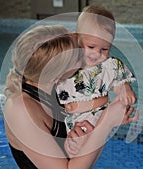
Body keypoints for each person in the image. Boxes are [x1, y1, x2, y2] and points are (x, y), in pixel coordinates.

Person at [3, 24, 138, 169]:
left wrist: (89, 137)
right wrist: (105, 123)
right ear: (56, 74)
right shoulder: (20, 109)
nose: (84, 55)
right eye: (76, 56)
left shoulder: (58, 91)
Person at [56, 5, 136, 136]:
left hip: (100, 120)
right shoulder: (69, 65)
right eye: (91, 46)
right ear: (77, 39)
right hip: (76, 126)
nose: (97, 53)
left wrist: (125, 89)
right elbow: (71, 106)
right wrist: (104, 100)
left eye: (104, 49)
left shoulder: (109, 65)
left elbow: (119, 81)